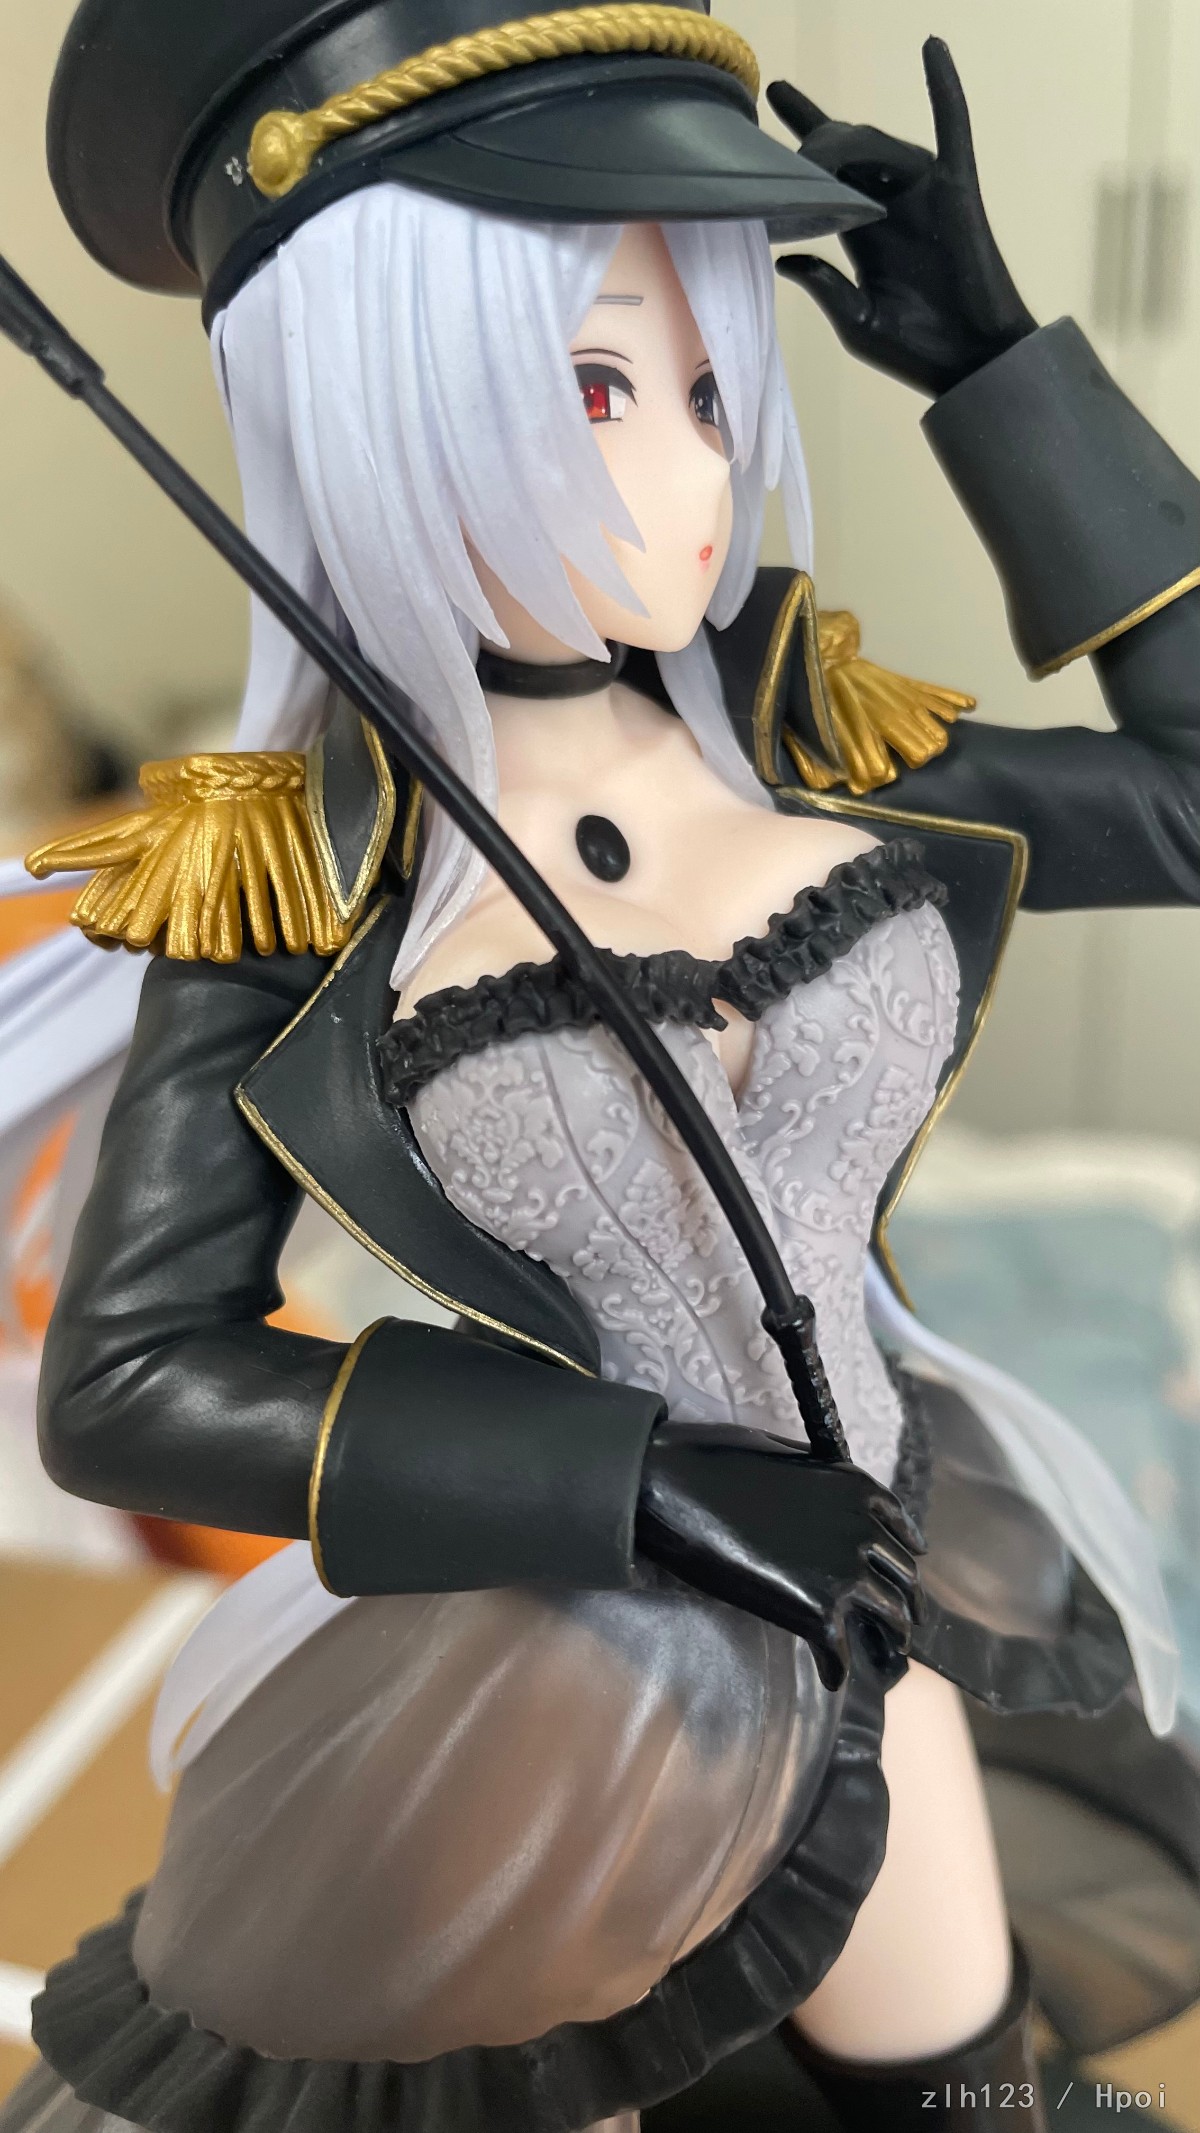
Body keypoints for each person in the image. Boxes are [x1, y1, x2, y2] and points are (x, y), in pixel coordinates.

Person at [4, 7, 1200, 2131]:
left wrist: (1010, 376)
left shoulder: (809, 736)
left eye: (710, 384)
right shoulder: (295, 870)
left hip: (878, 1589)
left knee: (974, 2095)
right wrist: (634, 1478)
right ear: (380, 388)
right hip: (573, 1671)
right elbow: (126, 1379)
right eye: (593, 383)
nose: (692, 474)